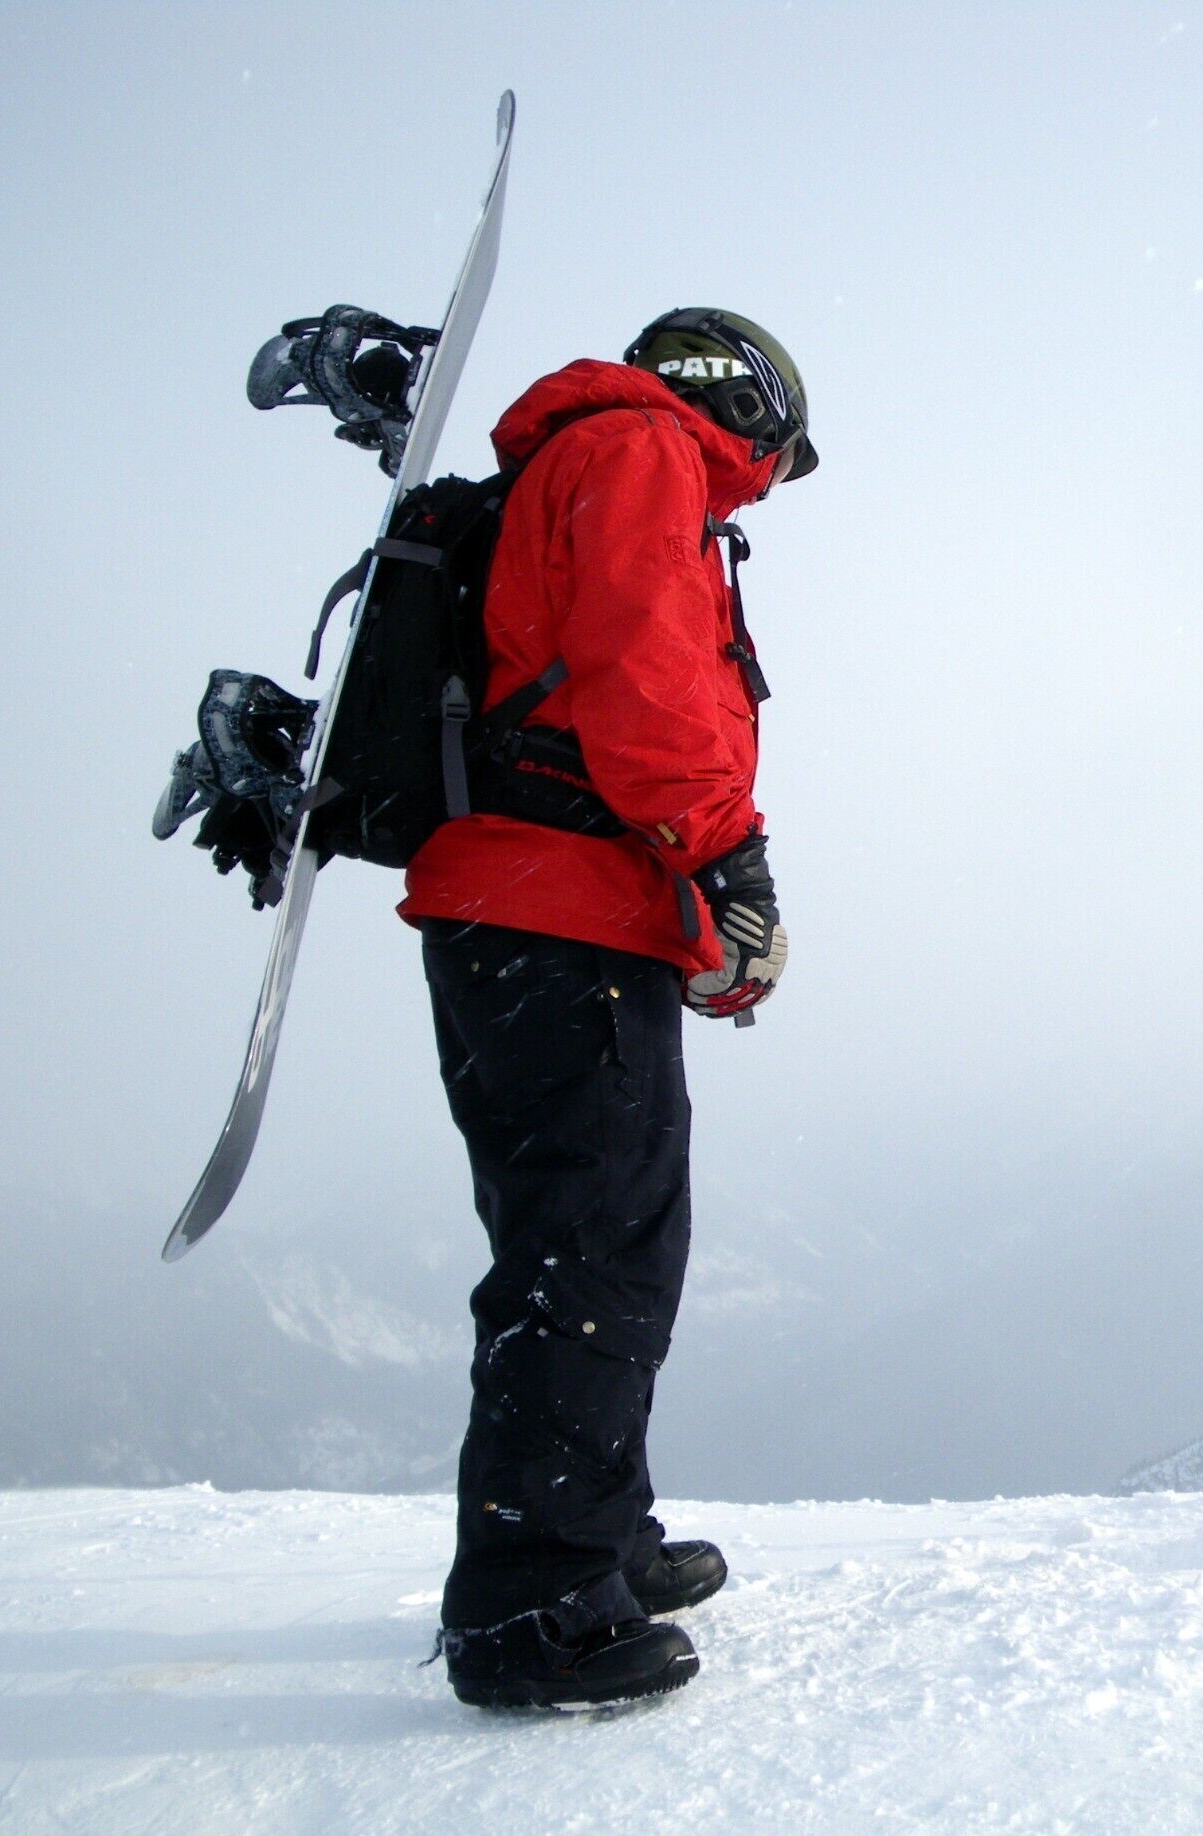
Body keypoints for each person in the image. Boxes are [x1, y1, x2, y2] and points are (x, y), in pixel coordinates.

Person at [401, 310, 815, 1710]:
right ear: (746, 408)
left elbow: (586, 695)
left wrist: (697, 912)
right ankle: (532, 1612)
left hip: (537, 905)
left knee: (591, 1240)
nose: (766, 475)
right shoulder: (641, 450)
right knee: (589, 1257)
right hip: (554, 910)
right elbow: (645, 672)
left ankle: (595, 1539)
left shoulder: (580, 457)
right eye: (774, 448)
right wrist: (728, 856)